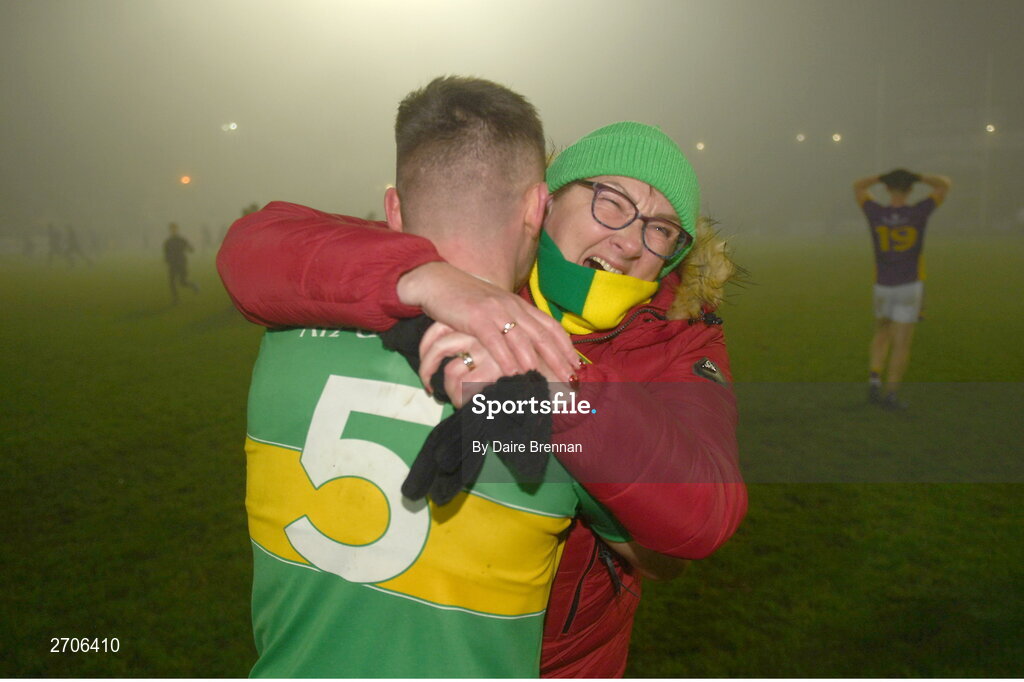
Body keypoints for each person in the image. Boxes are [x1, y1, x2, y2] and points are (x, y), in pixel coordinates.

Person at [219, 118, 747, 676]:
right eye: (610, 202)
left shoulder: (679, 335)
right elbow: (258, 246)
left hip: (565, 661)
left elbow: (697, 519)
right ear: (545, 202)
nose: (630, 240)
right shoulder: (483, 264)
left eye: (661, 229)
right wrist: (426, 282)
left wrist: (553, 389)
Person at [853, 168, 951, 409]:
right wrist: (920, 176)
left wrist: (879, 177)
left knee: (881, 333)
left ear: (887, 189)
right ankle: (891, 394)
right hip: (909, 286)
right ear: (911, 190)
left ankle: (874, 380)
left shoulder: (875, 212)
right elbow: (944, 185)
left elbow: (858, 186)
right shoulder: (918, 212)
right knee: (901, 342)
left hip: (883, 285)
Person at [162, 222, 198, 303]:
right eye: (171, 229)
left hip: (181, 262)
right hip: (172, 264)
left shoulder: (181, 239)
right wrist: (166, 260)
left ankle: (194, 286)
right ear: (170, 230)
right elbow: (166, 253)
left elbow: (191, 249)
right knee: (171, 282)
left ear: (177, 229)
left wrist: (189, 248)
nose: (173, 230)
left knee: (182, 282)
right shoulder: (168, 241)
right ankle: (176, 299)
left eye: (174, 229)